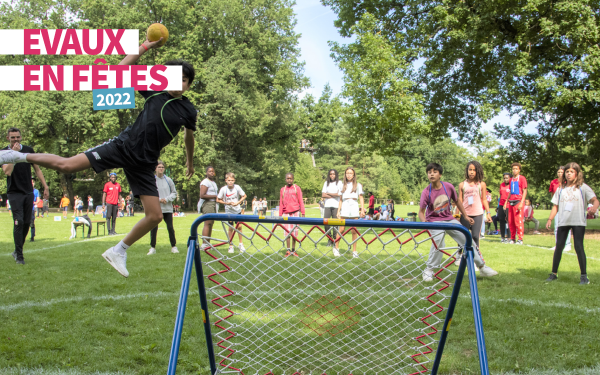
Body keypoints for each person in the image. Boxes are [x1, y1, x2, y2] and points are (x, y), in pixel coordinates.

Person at [0, 38, 197, 278]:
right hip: (124, 146)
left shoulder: (188, 110)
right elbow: (119, 70)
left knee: (155, 215)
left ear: (188, 85)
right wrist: (146, 46)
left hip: (145, 162)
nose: (178, 83)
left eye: (183, 80)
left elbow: (188, 136)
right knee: (67, 165)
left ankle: (118, 251)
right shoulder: (154, 90)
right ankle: (18, 156)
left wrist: (190, 160)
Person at [419, 163, 498, 282]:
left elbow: (458, 202)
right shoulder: (426, 192)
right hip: (434, 221)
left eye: (434, 172)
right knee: (439, 242)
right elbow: (421, 212)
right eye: (429, 172)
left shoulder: (448, 187)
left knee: (467, 239)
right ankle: (429, 270)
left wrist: (465, 216)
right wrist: (425, 223)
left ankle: (481, 266)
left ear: (440, 174)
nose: (431, 174)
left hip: (449, 219)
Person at [1, 127, 49, 265]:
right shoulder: (4, 152)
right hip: (14, 193)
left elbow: (37, 169)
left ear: (21, 137)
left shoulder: (29, 150)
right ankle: (20, 257)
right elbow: (7, 171)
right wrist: (13, 154)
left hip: (28, 192)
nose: (15, 139)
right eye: (12, 137)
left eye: (17, 137)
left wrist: (45, 186)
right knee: (19, 222)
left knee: (27, 222)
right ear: (8, 138)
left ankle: (17, 251)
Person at [546, 162, 599, 285]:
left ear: (577, 173)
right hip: (563, 221)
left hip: (578, 221)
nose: (568, 173)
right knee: (559, 246)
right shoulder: (561, 189)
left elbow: (595, 200)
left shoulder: (583, 187)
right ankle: (554, 274)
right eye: (567, 171)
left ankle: (584, 277)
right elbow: (556, 206)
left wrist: (594, 208)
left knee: (578, 246)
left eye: (571, 171)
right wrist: (550, 219)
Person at [455, 161, 492, 265]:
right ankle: (459, 255)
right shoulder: (462, 184)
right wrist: (457, 214)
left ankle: (476, 259)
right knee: (462, 236)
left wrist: (488, 213)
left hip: (478, 214)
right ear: (467, 171)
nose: (471, 172)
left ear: (478, 171)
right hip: (465, 214)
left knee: (475, 236)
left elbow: (484, 199)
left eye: (474, 170)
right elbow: (460, 200)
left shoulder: (482, 184)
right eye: (470, 170)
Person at [148, 161, 179, 255]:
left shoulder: (168, 180)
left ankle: (173, 246)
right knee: (154, 228)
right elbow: (149, 193)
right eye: (159, 167)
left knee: (170, 227)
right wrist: (159, 200)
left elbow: (174, 192)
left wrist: (167, 199)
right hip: (156, 208)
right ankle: (152, 247)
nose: (161, 168)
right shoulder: (152, 180)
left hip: (167, 208)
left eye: (162, 167)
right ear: (155, 168)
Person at [335, 167, 365, 258]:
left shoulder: (358, 185)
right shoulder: (342, 185)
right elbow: (340, 199)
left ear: (354, 175)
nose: (349, 175)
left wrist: (362, 209)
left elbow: (361, 197)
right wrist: (338, 211)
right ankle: (336, 248)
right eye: (347, 173)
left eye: (350, 173)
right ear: (345, 174)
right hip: (345, 205)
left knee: (354, 230)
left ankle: (354, 251)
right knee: (341, 229)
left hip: (354, 206)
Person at [217, 172, 247, 254]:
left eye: (232, 180)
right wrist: (227, 203)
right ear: (226, 180)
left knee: (239, 227)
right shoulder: (223, 189)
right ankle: (230, 245)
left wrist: (238, 202)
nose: (230, 182)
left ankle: (241, 244)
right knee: (230, 228)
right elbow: (218, 199)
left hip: (237, 211)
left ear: (234, 180)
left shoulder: (237, 187)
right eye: (229, 180)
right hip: (229, 211)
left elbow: (244, 196)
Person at [279, 173, 305, 256]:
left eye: (290, 178)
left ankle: (293, 250)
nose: (289, 180)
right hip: (286, 214)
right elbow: (281, 203)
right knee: (287, 233)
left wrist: (303, 212)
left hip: (295, 212)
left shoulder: (297, 188)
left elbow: (300, 200)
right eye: (287, 178)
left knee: (294, 232)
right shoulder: (283, 189)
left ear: (293, 179)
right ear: (285, 179)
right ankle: (288, 250)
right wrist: (280, 215)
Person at [504, 162, 527, 245]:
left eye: (516, 169)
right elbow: (510, 191)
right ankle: (512, 238)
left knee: (518, 221)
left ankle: (520, 239)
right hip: (511, 201)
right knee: (511, 221)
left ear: (519, 170)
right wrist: (506, 201)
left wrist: (521, 202)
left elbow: (524, 191)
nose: (514, 170)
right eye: (513, 169)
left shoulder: (522, 178)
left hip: (518, 201)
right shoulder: (511, 180)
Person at [549, 166, 571, 251]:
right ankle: (558, 244)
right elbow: (552, 194)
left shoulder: (568, 182)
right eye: (559, 172)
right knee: (557, 226)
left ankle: (567, 244)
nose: (560, 174)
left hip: (566, 206)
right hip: (558, 206)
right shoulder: (553, 182)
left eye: (562, 172)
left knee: (566, 225)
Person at [322, 169, 343, 246]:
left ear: (336, 175)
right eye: (331, 174)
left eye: (333, 174)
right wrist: (334, 194)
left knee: (335, 224)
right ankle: (329, 239)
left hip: (336, 206)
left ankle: (334, 240)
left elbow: (340, 195)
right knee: (326, 223)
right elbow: (323, 195)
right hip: (327, 205)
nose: (332, 175)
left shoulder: (339, 183)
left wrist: (328, 193)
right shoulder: (326, 183)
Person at [199, 166, 219, 248]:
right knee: (207, 223)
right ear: (206, 172)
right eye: (210, 171)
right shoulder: (205, 182)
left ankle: (208, 243)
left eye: (213, 171)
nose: (211, 173)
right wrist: (215, 196)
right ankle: (204, 244)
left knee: (211, 223)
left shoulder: (213, 182)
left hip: (213, 204)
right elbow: (202, 195)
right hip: (207, 204)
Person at [498, 172, 511, 243]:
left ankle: (509, 237)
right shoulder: (501, 185)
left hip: (508, 205)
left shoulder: (511, 185)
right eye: (504, 178)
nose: (505, 179)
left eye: (507, 178)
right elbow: (500, 195)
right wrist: (498, 206)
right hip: (501, 204)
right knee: (501, 220)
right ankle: (502, 236)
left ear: (510, 178)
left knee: (508, 221)